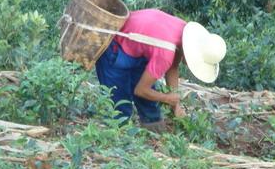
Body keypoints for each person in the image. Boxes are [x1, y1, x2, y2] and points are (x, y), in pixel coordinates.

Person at [95, 8, 227, 131]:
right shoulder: (165, 54)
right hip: (115, 47)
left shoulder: (183, 31)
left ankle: (154, 130)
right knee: (119, 108)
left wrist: (176, 105)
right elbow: (141, 90)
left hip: (139, 48)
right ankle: (118, 140)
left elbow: (173, 69)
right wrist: (167, 98)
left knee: (150, 105)